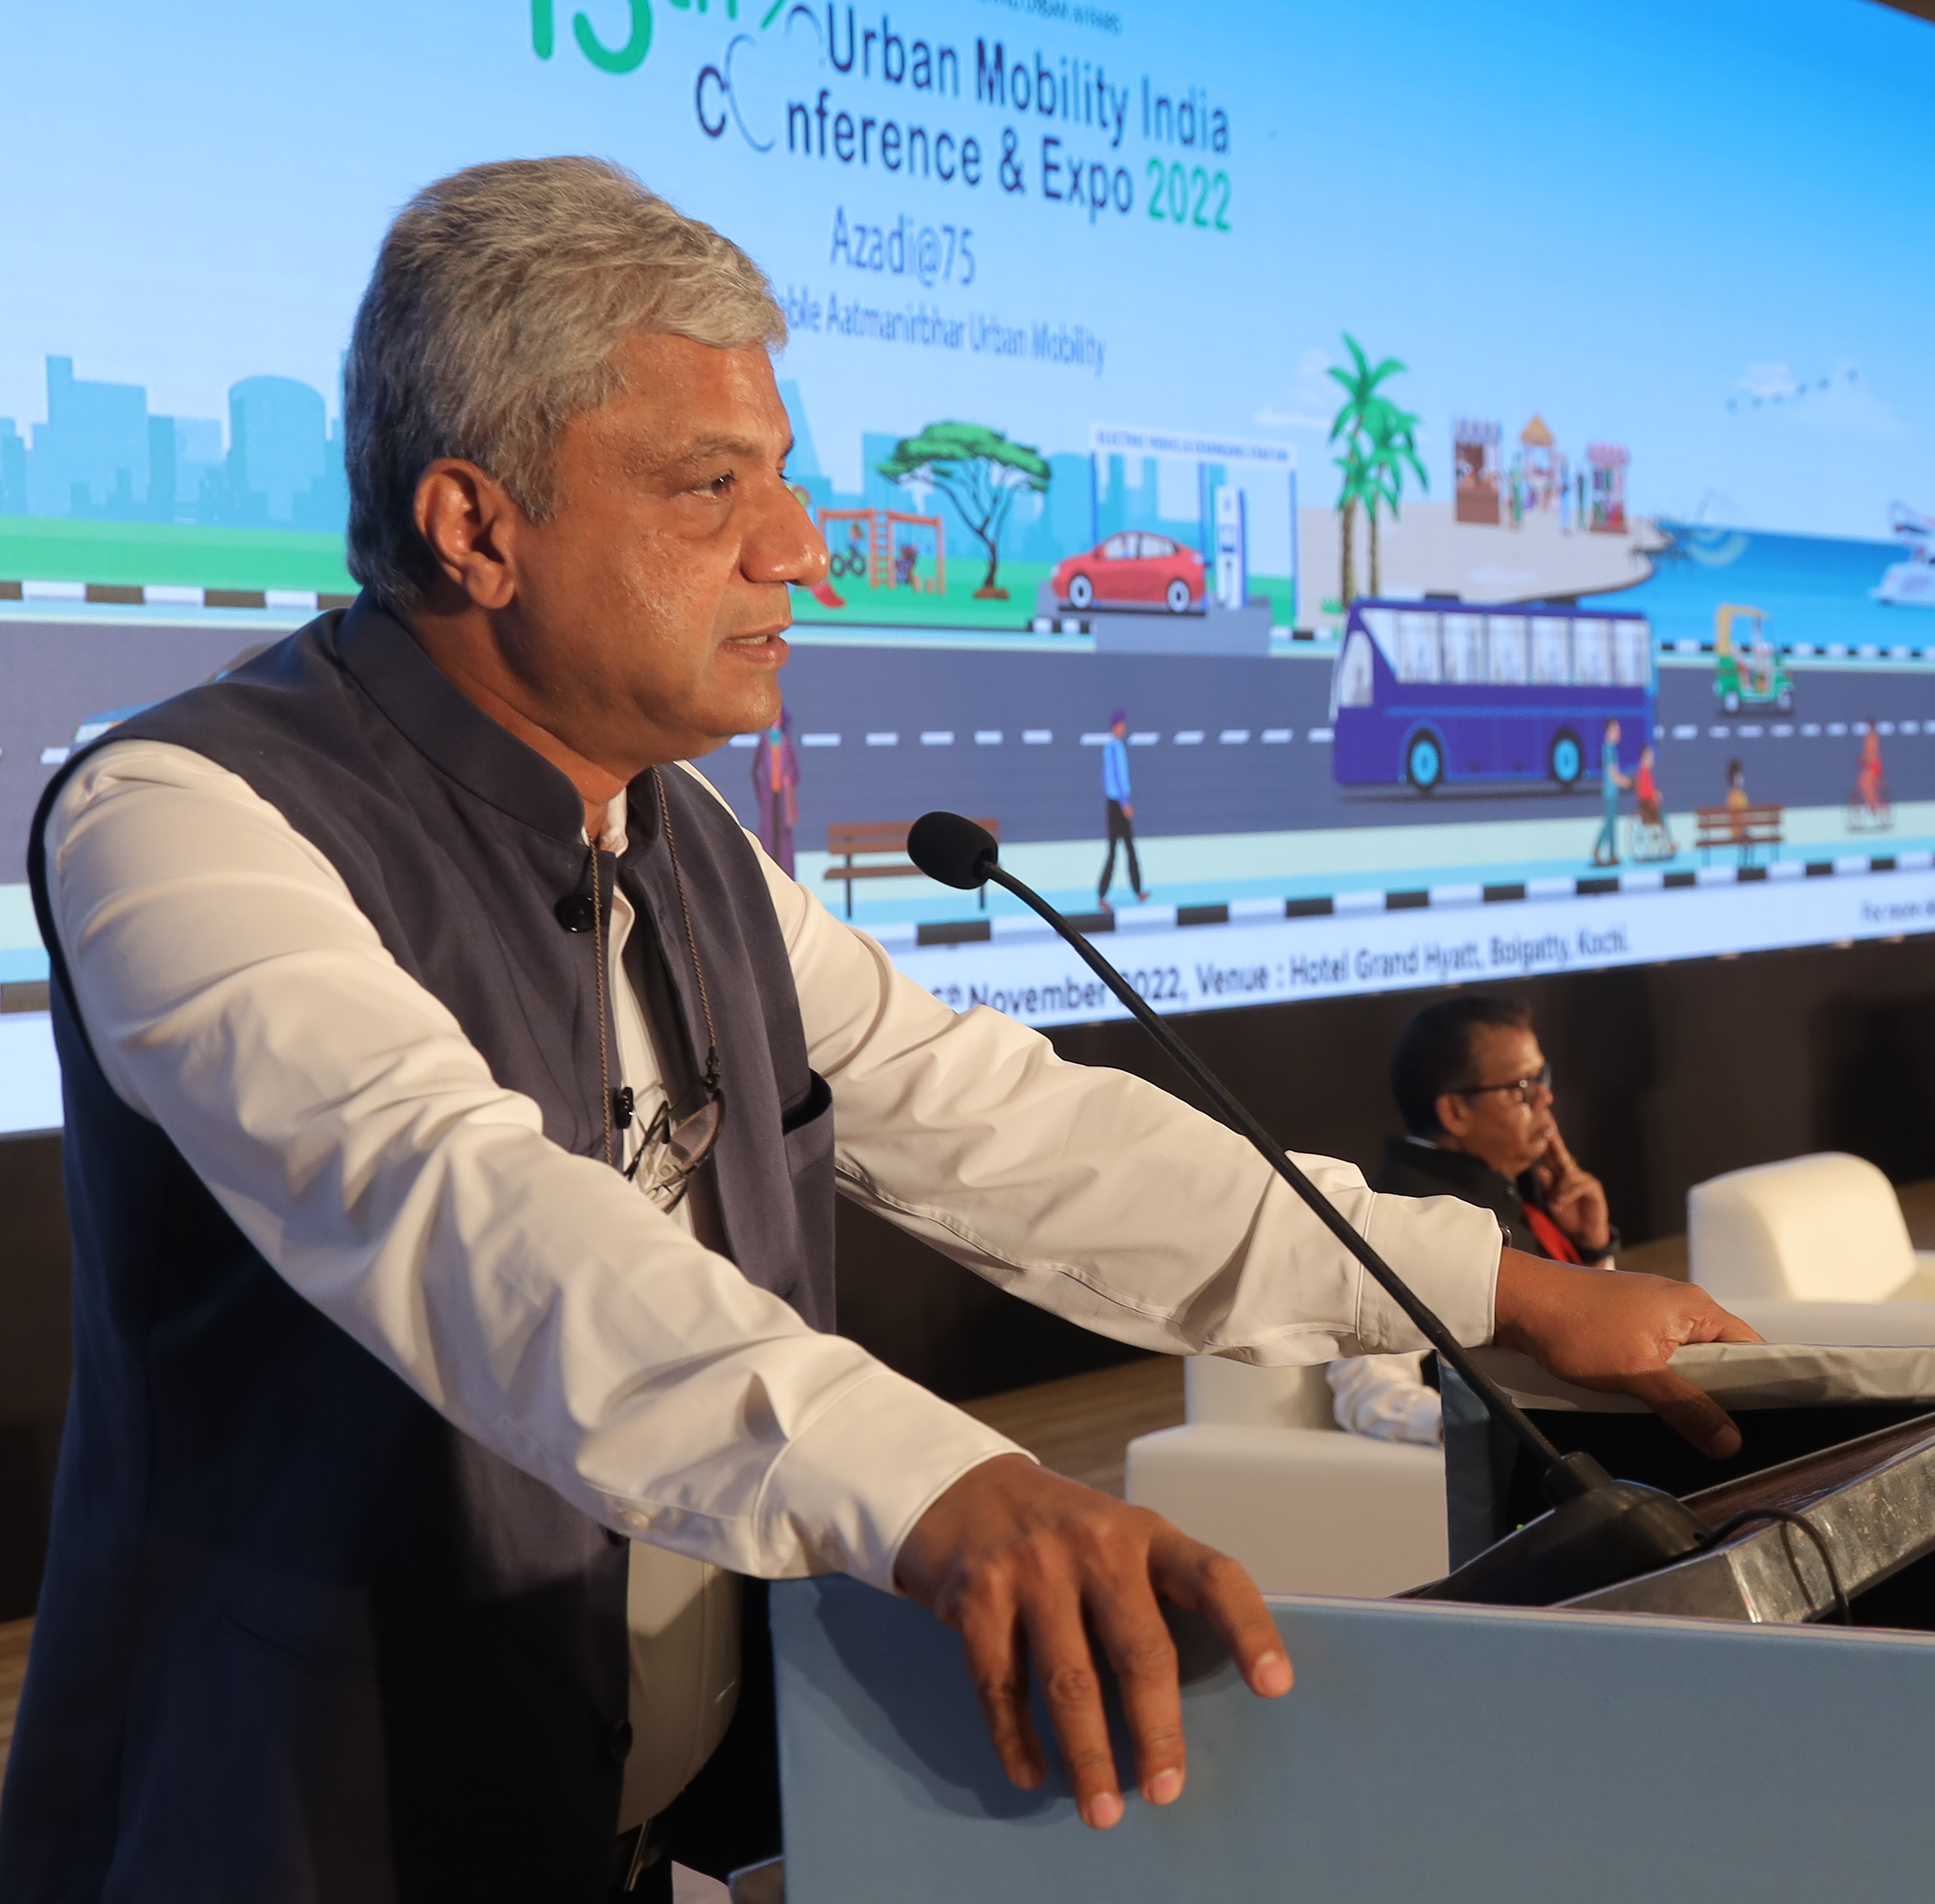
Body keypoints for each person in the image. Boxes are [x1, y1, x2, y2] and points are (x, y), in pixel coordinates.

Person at [0, 158, 1758, 1897]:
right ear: (476, 527)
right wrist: (946, 1489)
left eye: (780, 475)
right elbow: (459, 1211)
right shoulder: (182, 814)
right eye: (710, 485)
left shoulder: (686, 839)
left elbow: (1010, 1131)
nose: (798, 546)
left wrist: (1495, 1287)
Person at [1335, 997, 1619, 1444]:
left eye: (1542, 1077)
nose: (1546, 1097)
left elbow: (1588, 1334)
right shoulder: (1400, 1218)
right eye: (1523, 1087)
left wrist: (1592, 1249)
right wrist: (1491, 1431)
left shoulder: (1515, 1188)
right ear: (1455, 1112)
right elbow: (1368, 1391)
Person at [1098, 706, 1148, 903]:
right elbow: (1116, 778)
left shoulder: (1116, 746)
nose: (1124, 727)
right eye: (1122, 724)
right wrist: (1124, 803)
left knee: (1128, 849)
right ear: (1116, 726)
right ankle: (1102, 895)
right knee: (1115, 851)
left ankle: (1137, 890)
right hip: (1116, 806)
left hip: (1117, 803)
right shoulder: (1113, 748)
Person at [749, 704, 800, 875]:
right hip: (769, 795)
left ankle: (786, 873)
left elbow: (795, 771)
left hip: (783, 796)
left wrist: (788, 781)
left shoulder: (786, 742)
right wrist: (762, 791)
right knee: (769, 835)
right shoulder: (765, 741)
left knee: (784, 836)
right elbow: (755, 770)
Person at [1590, 716, 1625, 867]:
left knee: (1612, 823)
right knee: (1609, 823)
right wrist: (1627, 783)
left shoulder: (1611, 748)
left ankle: (1612, 854)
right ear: (1609, 731)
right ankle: (1598, 849)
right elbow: (1613, 775)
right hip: (1610, 793)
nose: (1619, 733)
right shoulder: (1609, 749)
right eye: (1616, 730)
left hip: (1612, 792)